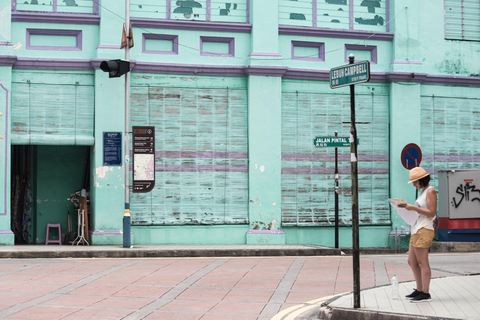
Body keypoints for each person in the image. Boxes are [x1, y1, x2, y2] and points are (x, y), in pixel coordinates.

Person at [398, 167, 437, 303]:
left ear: (422, 180)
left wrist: (413, 208)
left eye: (415, 182)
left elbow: (432, 212)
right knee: (412, 261)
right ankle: (419, 289)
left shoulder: (430, 191)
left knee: (422, 262)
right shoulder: (422, 192)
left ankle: (425, 293)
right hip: (416, 228)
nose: (414, 184)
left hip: (424, 229)